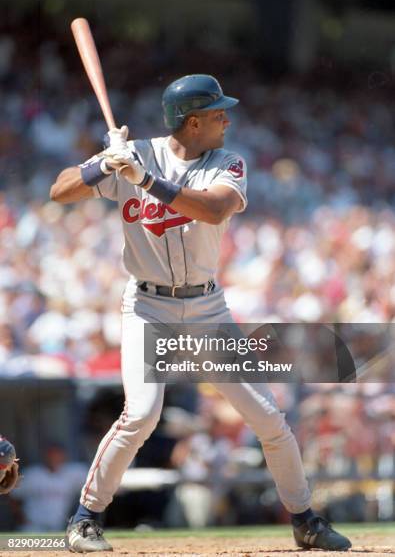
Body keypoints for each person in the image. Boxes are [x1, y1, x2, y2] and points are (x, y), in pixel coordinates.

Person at [50, 74, 351, 552]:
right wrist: (103, 166)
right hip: (148, 306)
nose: (226, 119)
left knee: (269, 418)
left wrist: (146, 180)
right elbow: (60, 191)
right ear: (192, 122)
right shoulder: (136, 153)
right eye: (217, 113)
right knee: (142, 415)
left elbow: (215, 209)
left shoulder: (226, 161)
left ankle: (305, 521)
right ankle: (85, 520)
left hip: (207, 306)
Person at [11, 442, 87, 531]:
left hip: (58, 527)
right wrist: (21, 519)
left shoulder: (74, 473)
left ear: (64, 456)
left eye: (57, 454)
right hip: (33, 527)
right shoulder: (32, 474)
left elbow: (92, 488)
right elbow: (13, 496)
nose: (54, 458)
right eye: (51, 454)